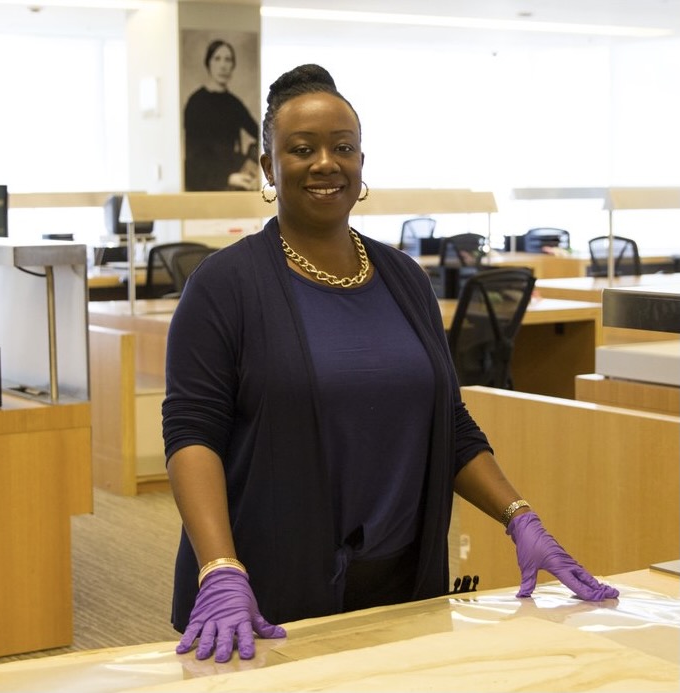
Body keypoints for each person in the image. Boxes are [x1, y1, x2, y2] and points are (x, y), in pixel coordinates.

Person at [162, 63, 619, 664]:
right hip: (265, 589)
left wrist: (519, 515)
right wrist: (220, 568)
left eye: (343, 147)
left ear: (360, 163)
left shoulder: (404, 278)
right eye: (302, 149)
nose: (326, 162)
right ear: (270, 169)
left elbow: (447, 423)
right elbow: (193, 432)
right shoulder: (225, 284)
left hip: (403, 580)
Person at [183, 39, 259, 191]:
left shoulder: (234, 103)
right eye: (217, 59)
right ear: (208, 63)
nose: (223, 65)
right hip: (204, 180)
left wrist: (252, 159)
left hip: (235, 175)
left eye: (228, 59)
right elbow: (194, 158)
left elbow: (261, 133)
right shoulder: (196, 102)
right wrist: (227, 178)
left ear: (233, 66)